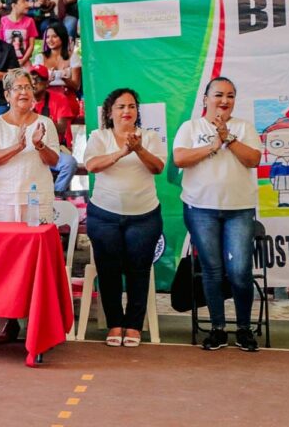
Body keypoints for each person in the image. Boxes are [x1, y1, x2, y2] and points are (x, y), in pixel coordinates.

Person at [173, 77, 262, 351]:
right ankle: (218, 329)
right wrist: (212, 146)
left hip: (239, 210)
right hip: (201, 210)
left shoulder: (244, 127)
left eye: (231, 96)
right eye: (219, 95)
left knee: (239, 272)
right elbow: (179, 159)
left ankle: (245, 329)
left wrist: (228, 138)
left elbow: (254, 160)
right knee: (212, 271)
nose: (224, 101)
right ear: (206, 98)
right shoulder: (191, 127)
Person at [84, 88, 166, 348]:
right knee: (108, 272)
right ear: (110, 112)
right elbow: (92, 165)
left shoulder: (150, 137)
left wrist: (138, 148)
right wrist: (121, 152)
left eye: (131, 106)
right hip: (104, 216)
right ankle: (114, 324)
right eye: (120, 107)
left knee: (138, 272)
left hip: (144, 217)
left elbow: (158, 168)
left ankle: (133, 325)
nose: (127, 111)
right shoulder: (99, 136)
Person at [0, 68, 59, 343]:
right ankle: (6, 321)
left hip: (36, 201)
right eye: (18, 88)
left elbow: (54, 161)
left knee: (38, 263)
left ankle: (38, 321)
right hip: (3, 200)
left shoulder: (45, 123)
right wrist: (18, 145)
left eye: (28, 87)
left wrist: (38, 145)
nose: (24, 92)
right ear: (7, 95)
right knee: (4, 263)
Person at [30, 65, 77, 194]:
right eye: (31, 79)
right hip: (29, 150)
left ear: (47, 83)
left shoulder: (59, 99)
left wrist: (37, 118)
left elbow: (62, 128)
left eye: (38, 79)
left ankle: (55, 196)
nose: (33, 83)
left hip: (53, 148)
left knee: (70, 163)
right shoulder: (23, 100)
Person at [34, 21, 82, 117]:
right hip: (45, 97)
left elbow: (76, 86)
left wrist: (65, 79)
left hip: (67, 96)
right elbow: (35, 86)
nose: (50, 40)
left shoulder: (73, 57)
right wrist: (47, 81)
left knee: (63, 111)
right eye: (47, 37)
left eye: (54, 36)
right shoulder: (40, 57)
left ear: (62, 37)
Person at [0, 0, 38, 69]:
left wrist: (23, 60)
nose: (27, 4)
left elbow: (31, 45)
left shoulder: (30, 21)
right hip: (6, 60)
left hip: (24, 60)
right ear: (14, 5)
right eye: (23, 1)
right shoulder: (2, 21)